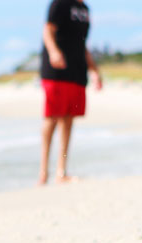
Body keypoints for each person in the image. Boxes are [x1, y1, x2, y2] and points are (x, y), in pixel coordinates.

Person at [39, 0, 102, 185]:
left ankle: (61, 172)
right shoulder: (59, 4)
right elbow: (47, 30)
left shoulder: (85, 10)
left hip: (77, 71)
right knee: (52, 118)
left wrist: (94, 70)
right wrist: (53, 52)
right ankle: (43, 173)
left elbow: (83, 44)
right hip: (56, 71)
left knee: (68, 119)